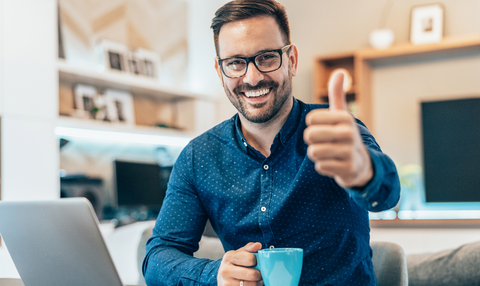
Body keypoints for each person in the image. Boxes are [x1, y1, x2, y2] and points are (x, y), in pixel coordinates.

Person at [143, 0, 400, 285]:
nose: (252, 78)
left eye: (266, 58)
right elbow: (158, 257)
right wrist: (213, 274)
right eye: (235, 63)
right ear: (220, 71)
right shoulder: (198, 156)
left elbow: (387, 195)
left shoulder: (335, 130)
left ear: (291, 60)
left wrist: (364, 172)